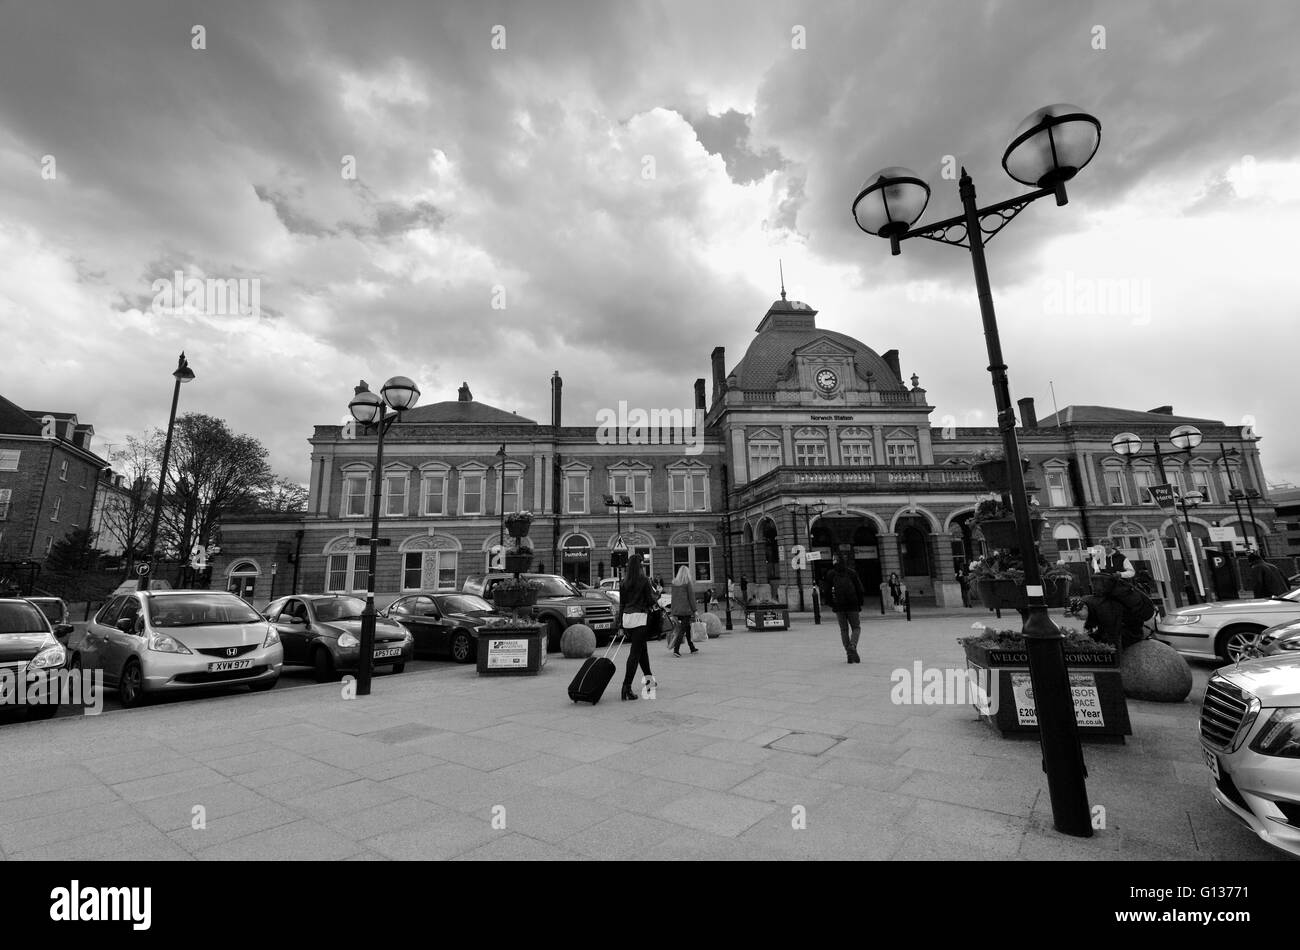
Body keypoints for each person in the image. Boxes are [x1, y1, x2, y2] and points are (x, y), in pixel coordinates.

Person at [616, 554, 656, 700]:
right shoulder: (644, 581)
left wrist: (620, 623)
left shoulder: (623, 582)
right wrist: (656, 596)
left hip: (627, 619)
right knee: (635, 654)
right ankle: (626, 687)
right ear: (639, 566)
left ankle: (650, 681)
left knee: (641, 650)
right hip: (639, 618)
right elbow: (650, 601)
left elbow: (622, 604)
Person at [824, 555, 866, 663]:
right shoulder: (851, 572)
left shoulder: (831, 574)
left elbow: (827, 592)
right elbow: (860, 589)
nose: (832, 561)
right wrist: (859, 604)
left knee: (844, 630)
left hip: (839, 607)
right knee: (856, 628)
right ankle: (852, 646)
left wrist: (832, 605)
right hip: (853, 605)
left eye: (833, 559)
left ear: (836, 561)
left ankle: (849, 652)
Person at [669, 565, 699, 657]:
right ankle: (676, 650)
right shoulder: (687, 583)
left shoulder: (674, 583)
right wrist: (695, 610)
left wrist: (673, 611)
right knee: (682, 630)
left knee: (687, 628)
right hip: (686, 610)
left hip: (677, 610)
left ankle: (692, 647)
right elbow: (691, 598)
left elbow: (673, 598)